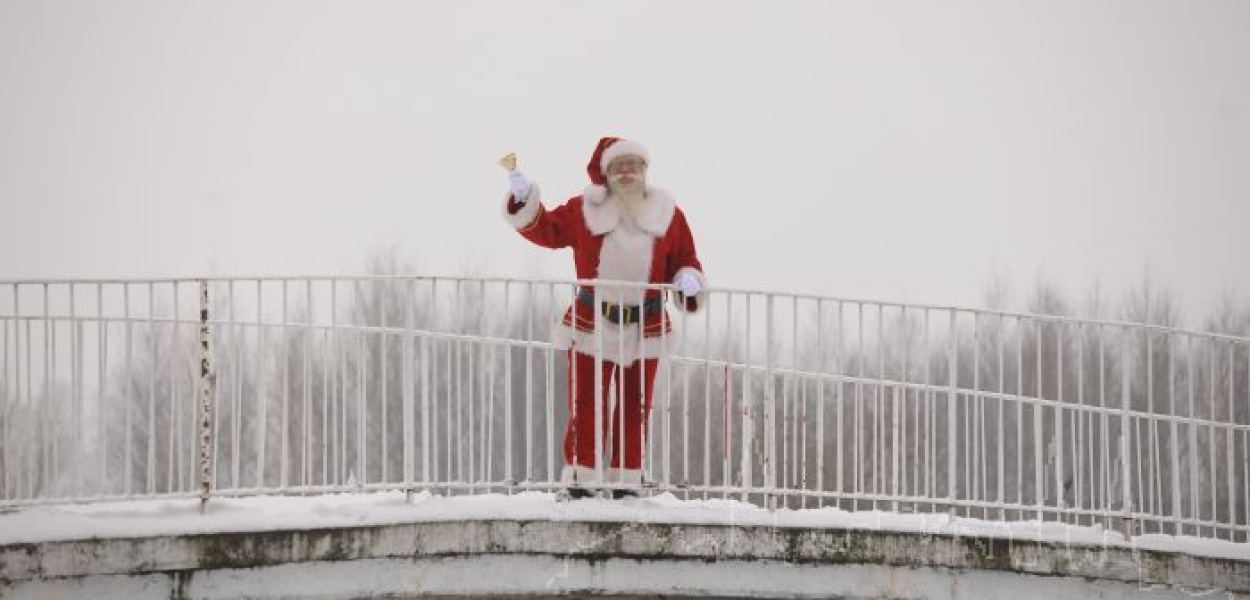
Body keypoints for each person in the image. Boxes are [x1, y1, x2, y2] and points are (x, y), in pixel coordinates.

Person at [501, 137, 706, 498]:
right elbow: (546, 229)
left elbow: (685, 258)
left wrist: (688, 278)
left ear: (645, 170)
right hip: (591, 320)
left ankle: (627, 481)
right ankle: (583, 479)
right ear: (606, 172)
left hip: (647, 323)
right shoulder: (585, 209)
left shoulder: (669, 214)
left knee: (635, 406)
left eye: (634, 165)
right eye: (619, 166)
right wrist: (524, 200)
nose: (627, 172)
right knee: (586, 403)